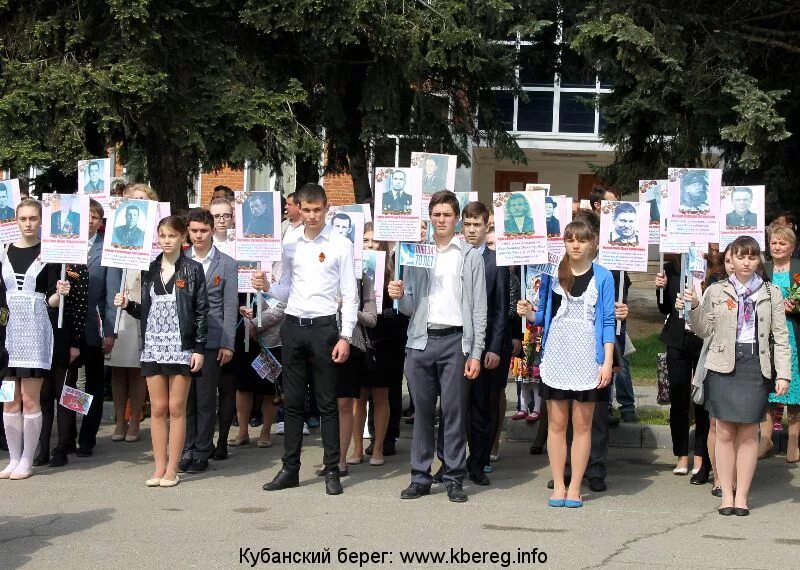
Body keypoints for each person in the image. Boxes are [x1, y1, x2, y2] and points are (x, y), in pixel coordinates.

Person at [255, 183, 358, 496]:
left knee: (327, 403)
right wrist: (265, 286)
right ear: (298, 208)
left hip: (325, 327)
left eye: (317, 210)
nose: (312, 216)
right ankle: (290, 469)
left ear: (327, 208)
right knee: (294, 401)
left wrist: (346, 336)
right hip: (293, 325)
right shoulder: (290, 241)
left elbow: (351, 294)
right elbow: (284, 287)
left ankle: (331, 470)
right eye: (307, 209)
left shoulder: (341, 244)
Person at [388, 190, 487, 503]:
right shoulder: (417, 253)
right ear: (429, 218)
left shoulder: (469, 255)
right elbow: (407, 308)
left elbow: (478, 309)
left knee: (454, 413)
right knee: (421, 412)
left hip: (456, 341)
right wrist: (397, 293)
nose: (441, 220)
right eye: (436, 215)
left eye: (447, 215)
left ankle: (454, 476)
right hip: (421, 341)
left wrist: (476, 351)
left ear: (456, 219)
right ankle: (420, 476)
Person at [681, 235, 790, 516]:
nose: (745, 262)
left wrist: (784, 374)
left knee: (749, 433)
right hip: (721, 365)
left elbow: (780, 336)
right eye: (740, 257)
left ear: (758, 260)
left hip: (755, 364)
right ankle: (725, 494)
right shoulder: (716, 291)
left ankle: (741, 496)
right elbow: (703, 329)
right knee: (726, 431)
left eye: (751, 257)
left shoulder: (771, 292)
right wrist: (693, 307)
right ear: (732, 260)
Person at [517, 219, 616, 508]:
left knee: (583, 426)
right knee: (557, 425)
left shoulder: (604, 277)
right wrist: (527, 312)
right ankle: (558, 484)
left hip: (588, 357)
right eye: (571, 239)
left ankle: (575, 486)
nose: (576, 245)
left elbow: (607, 321)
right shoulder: (551, 273)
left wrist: (607, 361)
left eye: (582, 240)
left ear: (592, 244)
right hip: (557, 356)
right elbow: (540, 317)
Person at [114, 215, 209, 488]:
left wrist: (199, 348)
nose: (166, 241)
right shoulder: (149, 268)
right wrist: (128, 305)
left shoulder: (192, 269)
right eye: (162, 235)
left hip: (181, 346)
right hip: (153, 344)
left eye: (171, 235)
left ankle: (172, 468)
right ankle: (158, 466)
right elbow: (147, 309)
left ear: (182, 238)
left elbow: (202, 311)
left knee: (176, 408)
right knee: (157, 408)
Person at [0, 199, 71, 480]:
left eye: (33, 218)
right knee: (7, 400)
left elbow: (51, 301)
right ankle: (13, 457)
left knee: (30, 400)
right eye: (23, 218)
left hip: (35, 333)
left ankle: (27, 459)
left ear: (41, 221)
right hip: (6, 335)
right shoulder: (4, 251)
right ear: (16, 220)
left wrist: (60, 292)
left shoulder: (49, 253)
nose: (28, 223)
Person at [49, 199, 121, 466]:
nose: (90, 221)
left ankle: (87, 438)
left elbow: (112, 293)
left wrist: (110, 331)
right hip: (65, 327)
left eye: (95, 217)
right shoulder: (64, 246)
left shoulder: (106, 251)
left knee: (92, 384)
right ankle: (66, 436)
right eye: (86, 216)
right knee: (67, 382)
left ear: (101, 222)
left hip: (93, 327)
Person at [179, 209, 237, 474]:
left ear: (212, 230)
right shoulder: (179, 260)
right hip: (184, 340)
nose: (199, 235)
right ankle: (186, 448)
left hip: (213, 340)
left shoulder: (226, 264)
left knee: (204, 398)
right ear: (188, 232)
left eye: (203, 230)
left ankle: (202, 449)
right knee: (185, 399)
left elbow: (229, 305)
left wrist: (228, 343)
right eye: (194, 231)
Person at [459, 201, 510, 486]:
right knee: (457, 407)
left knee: (482, 407)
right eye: (467, 224)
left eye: (476, 224)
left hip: (488, 346)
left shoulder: (495, 261)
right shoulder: (457, 256)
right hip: (460, 344)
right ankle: (453, 460)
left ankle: (478, 461)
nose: (471, 230)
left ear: (487, 225)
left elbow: (501, 308)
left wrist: (493, 347)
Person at [654, 254, 712, 484]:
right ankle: (681, 456)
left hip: (703, 339)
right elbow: (663, 308)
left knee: (702, 401)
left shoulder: (712, 269)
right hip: (678, 338)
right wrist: (661, 289)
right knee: (679, 398)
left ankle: (700, 456)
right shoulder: (670, 268)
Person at [108, 184, 157, 443]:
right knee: (118, 368)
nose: (136, 206)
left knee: (138, 369)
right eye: (133, 201)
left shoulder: (155, 237)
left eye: (143, 200)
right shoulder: (116, 234)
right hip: (118, 302)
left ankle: (136, 419)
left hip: (142, 303)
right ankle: (119, 421)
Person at [360, 222, 406, 459]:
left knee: (389, 390)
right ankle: (373, 434)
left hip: (389, 336)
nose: (370, 245)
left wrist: (393, 298)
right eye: (366, 240)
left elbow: (403, 308)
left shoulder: (394, 268)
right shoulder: (359, 268)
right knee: (366, 390)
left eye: (374, 240)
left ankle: (388, 436)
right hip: (366, 334)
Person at [230, 261, 285, 450]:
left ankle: (266, 431)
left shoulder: (279, 266)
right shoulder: (239, 263)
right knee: (243, 386)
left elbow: (281, 305)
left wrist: (256, 324)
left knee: (270, 388)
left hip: (269, 340)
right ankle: (242, 431)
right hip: (242, 337)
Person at [759, 225, 800, 463]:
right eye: (773, 243)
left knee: (794, 388)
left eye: (782, 243)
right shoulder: (763, 269)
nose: (777, 247)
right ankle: (766, 439)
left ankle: (794, 441)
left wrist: (796, 307)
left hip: (793, 335)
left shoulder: (798, 269)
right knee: (767, 386)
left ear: (792, 247)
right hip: (768, 337)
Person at [336, 271, 377, 472]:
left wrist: (347, 307)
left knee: (345, 403)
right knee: (327, 405)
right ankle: (331, 457)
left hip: (352, 346)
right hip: (319, 340)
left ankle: (341, 460)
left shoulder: (362, 278)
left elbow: (371, 319)